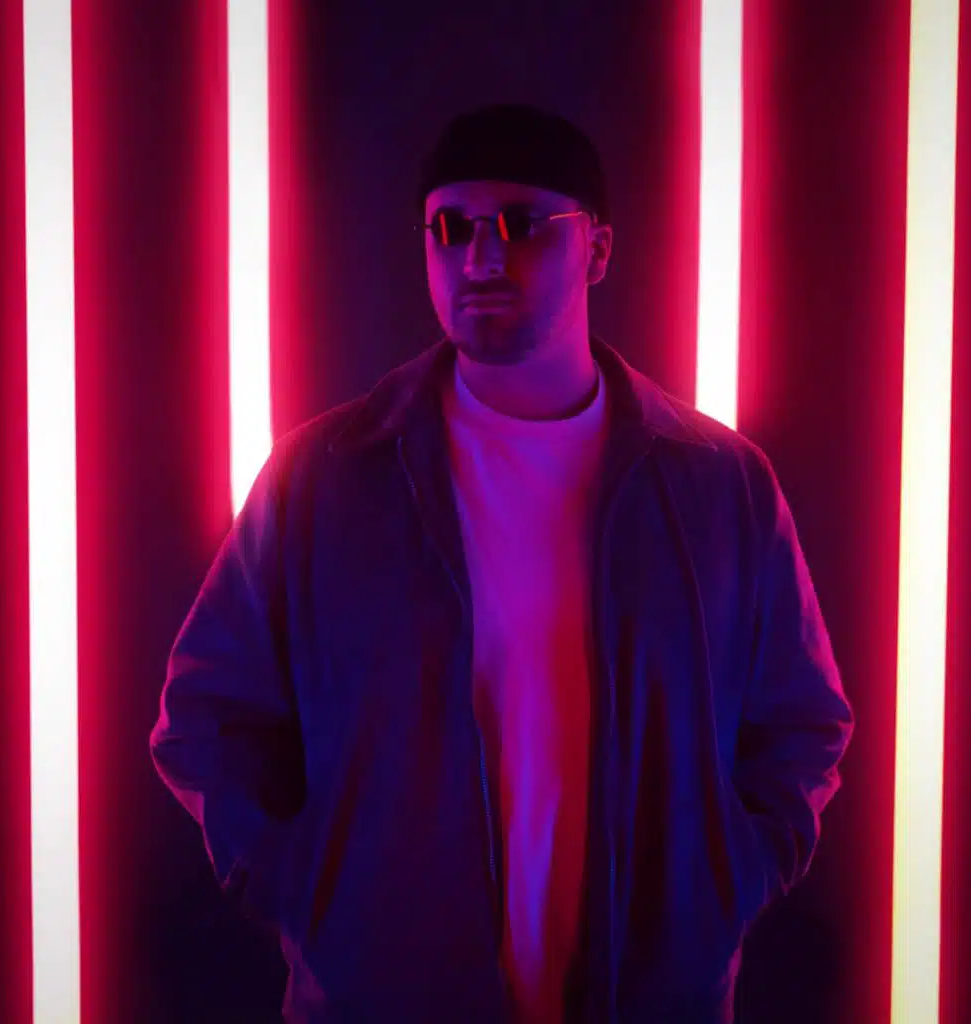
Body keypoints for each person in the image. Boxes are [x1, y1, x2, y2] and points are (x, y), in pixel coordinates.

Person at [149, 103, 855, 1023]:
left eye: (522, 224)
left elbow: (802, 722)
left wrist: (722, 889)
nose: (481, 257)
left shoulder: (720, 486)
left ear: (597, 248)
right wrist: (316, 900)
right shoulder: (325, 479)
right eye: (451, 228)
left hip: (652, 1000)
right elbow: (205, 716)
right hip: (384, 1003)